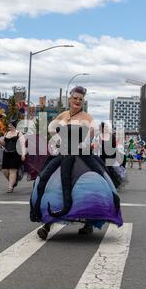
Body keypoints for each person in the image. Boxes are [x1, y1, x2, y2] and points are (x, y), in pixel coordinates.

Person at [30, 86, 123, 240]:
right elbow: (52, 127)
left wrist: (85, 143)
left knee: (99, 182)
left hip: (82, 156)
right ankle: (46, 224)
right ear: (70, 98)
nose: (77, 101)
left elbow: (94, 131)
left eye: (81, 99)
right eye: (75, 98)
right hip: (63, 154)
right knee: (45, 181)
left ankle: (89, 223)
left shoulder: (86, 117)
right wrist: (58, 141)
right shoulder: (63, 115)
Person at [0, 119, 26, 193]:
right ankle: (13, 181)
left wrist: (23, 154)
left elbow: (22, 145)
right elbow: (3, 144)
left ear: (14, 125)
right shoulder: (6, 133)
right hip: (6, 153)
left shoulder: (19, 134)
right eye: (9, 125)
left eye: (10, 125)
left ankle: (10, 187)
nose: (9, 126)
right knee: (5, 171)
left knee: (12, 170)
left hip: (16, 154)